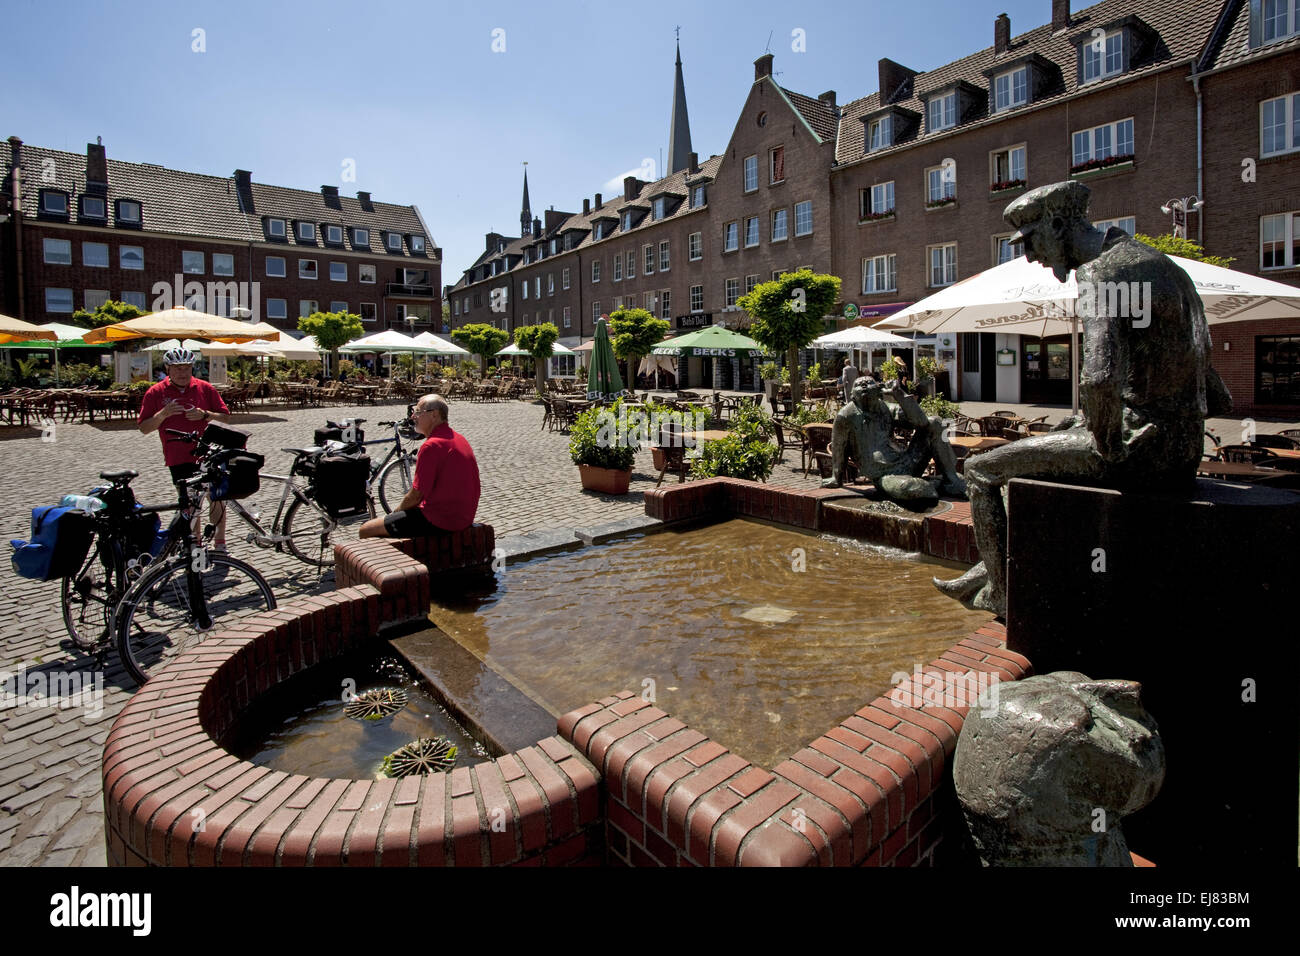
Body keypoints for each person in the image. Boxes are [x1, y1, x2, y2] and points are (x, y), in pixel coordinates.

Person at [934, 181, 1232, 618]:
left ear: (1057, 224)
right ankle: (985, 572)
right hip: (1183, 448)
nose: (1030, 256)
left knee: (979, 469)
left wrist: (1107, 444)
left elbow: (1099, 379)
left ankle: (999, 590)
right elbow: (1215, 388)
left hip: (1143, 454)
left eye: (1031, 241)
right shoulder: (1167, 268)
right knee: (1043, 452)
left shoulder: (1102, 271)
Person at [137, 347, 232, 548]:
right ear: (168, 369)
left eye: (186, 368)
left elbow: (225, 417)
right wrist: (162, 414)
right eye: (177, 368)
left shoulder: (205, 388)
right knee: (189, 504)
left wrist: (205, 414)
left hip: (209, 453)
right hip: (178, 457)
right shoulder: (156, 392)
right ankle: (195, 544)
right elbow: (144, 428)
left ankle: (220, 542)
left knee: (215, 498)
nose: (182, 373)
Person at [360, 394, 481, 539]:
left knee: (366, 529)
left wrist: (394, 514)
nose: (412, 417)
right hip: (463, 516)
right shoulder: (458, 438)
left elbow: (416, 495)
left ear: (434, 415)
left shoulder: (432, 445)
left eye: (418, 412)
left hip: (441, 520)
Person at [821, 376, 966, 496]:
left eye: (869, 383)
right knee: (913, 488)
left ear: (879, 391)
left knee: (936, 422)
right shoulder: (845, 416)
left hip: (907, 462)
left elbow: (921, 422)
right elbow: (838, 447)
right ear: (852, 395)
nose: (864, 386)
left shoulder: (886, 408)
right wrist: (836, 477)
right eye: (859, 384)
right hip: (884, 475)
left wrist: (900, 396)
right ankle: (934, 484)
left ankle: (950, 479)